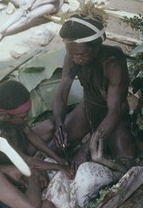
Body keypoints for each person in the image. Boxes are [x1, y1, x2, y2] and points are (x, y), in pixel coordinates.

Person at [51, 13, 137, 171]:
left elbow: (114, 112)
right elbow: (62, 92)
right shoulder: (73, 55)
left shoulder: (113, 63)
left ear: (96, 47)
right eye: (72, 54)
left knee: (126, 161)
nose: (76, 59)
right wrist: (59, 124)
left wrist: (86, 148)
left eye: (81, 55)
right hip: (86, 110)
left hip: (114, 119)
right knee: (53, 148)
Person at [0, 79, 73, 192]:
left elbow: (29, 132)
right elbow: (26, 160)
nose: (26, 119)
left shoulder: (11, 116)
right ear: (4, 115)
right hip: (11, 164)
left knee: (49, 126)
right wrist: (59, 167)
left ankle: (40, 162)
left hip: (22, 149)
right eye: (22, 117)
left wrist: (56, 157)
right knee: (33, 175)